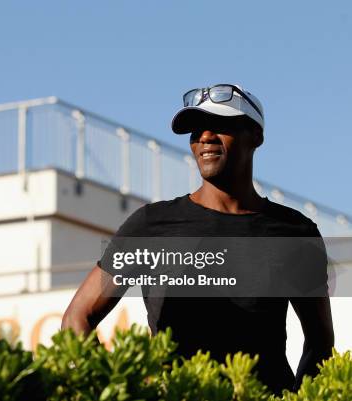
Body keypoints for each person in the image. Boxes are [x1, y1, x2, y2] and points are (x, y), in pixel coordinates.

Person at [62, 84, 334, 393]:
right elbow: (77, 317)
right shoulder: (151, 225)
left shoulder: (295, 232)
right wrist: (116, 390)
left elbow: (320, 342)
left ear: (255, 136)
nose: (204, 136)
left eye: (219, 125)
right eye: (196, 129)